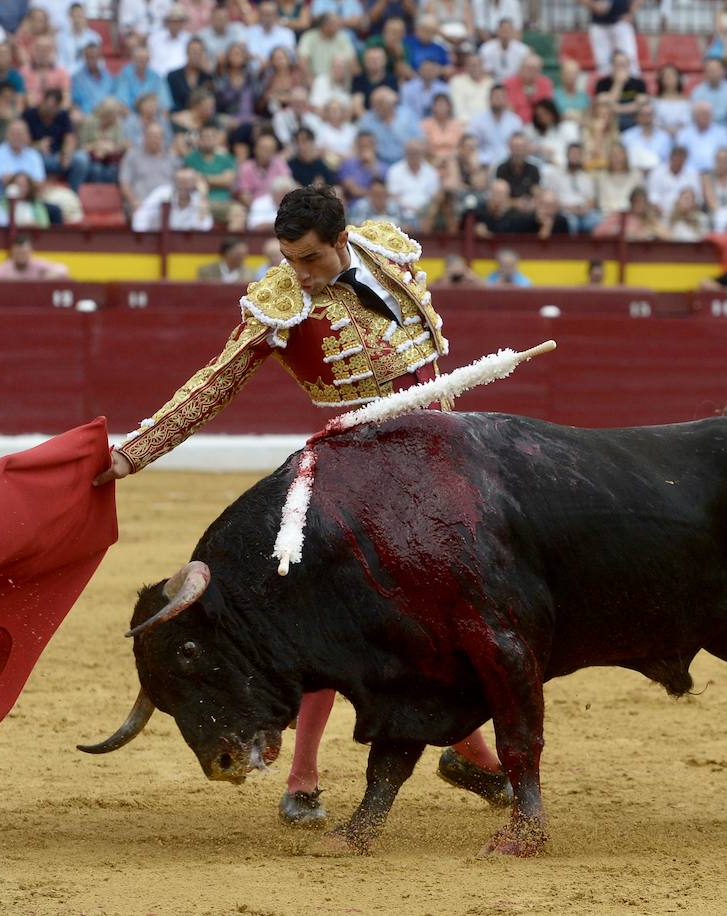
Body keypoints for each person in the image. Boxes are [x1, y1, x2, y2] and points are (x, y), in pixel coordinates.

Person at [94, 186, 513, 824]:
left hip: (440, 462)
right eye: (289, 257)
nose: (299, 272)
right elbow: (213, 382)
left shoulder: (387, 249)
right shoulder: (280, 303)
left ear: (342, 239)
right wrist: (134, 454)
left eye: (310, 258)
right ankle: (305, 778)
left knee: (437, 618)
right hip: (362, 475)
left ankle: (468, 756)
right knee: (333, 620)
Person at [23, 88, 88, 190]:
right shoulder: (28, 115)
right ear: (42, 101)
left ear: (58, 107)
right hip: (36, 156)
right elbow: (21, 142)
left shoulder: (63, 116)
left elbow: (69, 137)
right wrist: (37, 145)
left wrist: (66, 154)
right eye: (47, 106)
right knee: (35, 158)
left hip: (58, 157)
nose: (49, 110)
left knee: (81, 159)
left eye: (53, 108)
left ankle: (73, 193)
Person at [119, 123, 178, 215]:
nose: (154, 140)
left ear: (162, 139)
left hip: (168, 204)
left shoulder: (171, 157)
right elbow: (124, 183)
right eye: (151, 136)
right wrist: (133, 201)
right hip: (142, 203)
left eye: (157, 137)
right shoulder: (132, 156)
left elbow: (180, 182)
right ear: (144, 137)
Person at [542, 142, 600, 235]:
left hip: (584, 212)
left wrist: (583, 210)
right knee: (571, 223)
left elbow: (592, 200)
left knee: (597, 220)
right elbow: (551, 199)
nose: (575, 157)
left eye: (578, 154)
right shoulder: (555, 175)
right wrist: (569, 209)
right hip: (564, 212)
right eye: (573, 154)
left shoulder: (587, 177)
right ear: (567, 155)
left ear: (582, 157)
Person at [132, 167, 215, 232]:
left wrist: (203, 197)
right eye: (180, 182)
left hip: (186, 246)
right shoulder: (162, 193)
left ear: (194, 183)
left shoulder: (198, 198)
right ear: (174, 182)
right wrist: (143, 238)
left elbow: (205, 228)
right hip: (158, 242)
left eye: (187, 182)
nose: (183, 186)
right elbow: (141, 215)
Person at [581, 0, 642, 76]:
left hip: (621, 21)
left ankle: (635, 85)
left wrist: (631, 13)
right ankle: (606, 86)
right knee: (603, 63)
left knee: (630, 59)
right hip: (599, 24)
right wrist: (593, 5)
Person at [386, 138, 440, 223]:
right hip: (401, 213)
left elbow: (434, 197)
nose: (414, 155)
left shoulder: (431, 172)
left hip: (425, 214)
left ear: (422, 153)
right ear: (405, 153)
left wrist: (423, 211)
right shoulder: (394, 170)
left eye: (417, 152)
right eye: (411, 152)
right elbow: (393, 196)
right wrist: (411, 209)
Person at [468, 84, 523, 167]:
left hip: (510, 163)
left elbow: (520, 144)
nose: (498, 99)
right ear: (489, 99)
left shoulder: (515, 120)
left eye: (502, 96)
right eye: (495, 96)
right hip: (485, 162)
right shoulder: (477, 120)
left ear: (506, 99)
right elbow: (471, 143)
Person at [595, 50, 649, 132]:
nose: (621, 68)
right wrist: (618, 84)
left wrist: (616, 108)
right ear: (612, 65)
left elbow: (641, 105)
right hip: (610, 120)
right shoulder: (602, 83)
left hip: (633, 120)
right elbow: (604, 106)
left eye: (624, 65)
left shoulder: (639, 83)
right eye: (618, 65)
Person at [675, 99, 727, 173]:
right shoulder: (684, 134)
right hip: (690, 174)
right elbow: (679, 156)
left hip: (715, 175)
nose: (705, 116)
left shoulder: (722, 133)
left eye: (708, 113)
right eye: (702, 113)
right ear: (694, 115)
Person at [645, 145, 700, 216]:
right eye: (676, 157)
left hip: (686, 215)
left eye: (681, 158)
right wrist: (664, 214)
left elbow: (698, 199)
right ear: (670, 157)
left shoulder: (692, 174)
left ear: (685, 159)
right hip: (661, 215)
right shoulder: (657, 173)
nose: (678, 161)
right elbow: (652, 197)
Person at [0, 233, 70, 278]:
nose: (21, 256)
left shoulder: (37, 264)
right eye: (18, 253)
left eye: (24, 253)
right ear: (12, 254)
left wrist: (49, 275)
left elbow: (63, 269)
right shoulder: (3, 268)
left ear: (31, 252)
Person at [479, 17, 529, 83]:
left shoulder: (522, 49)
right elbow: (487, 72)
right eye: (503, 30)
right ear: (497, 31)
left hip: (516, 83)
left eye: (508, 30)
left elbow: (523, 72)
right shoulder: (486, 48)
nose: (505, 33)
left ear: (513, 31)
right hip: (493, 83)